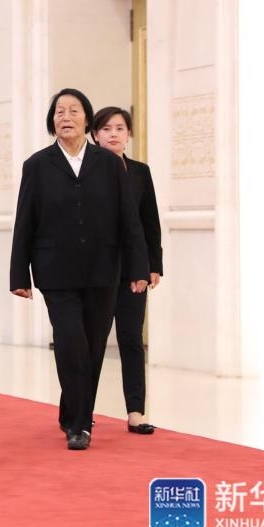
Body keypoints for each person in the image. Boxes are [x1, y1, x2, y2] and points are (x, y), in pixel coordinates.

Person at [9, 88, 149, 451]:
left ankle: (72, 408)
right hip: (55, 271)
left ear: (87, 119)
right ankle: (80, 424)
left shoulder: (109, 164)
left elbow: (129, 220)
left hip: (103, 270)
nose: (66, 117)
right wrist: (19, 275)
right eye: (59, 111)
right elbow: (25, 221)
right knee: (70, 342)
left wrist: (139, 267)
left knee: (93, 346)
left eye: (73, 111)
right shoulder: (38, 165)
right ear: (52, 120)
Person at [91, 106, 163, 435]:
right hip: (96, 271)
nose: (113, 134)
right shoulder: (86, 171)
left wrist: (152, 266)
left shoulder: (140, 172)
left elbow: (150, 222)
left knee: (131, 338)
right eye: (106, 129)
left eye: (120, 128)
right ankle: (81, 409)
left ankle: (136, 411)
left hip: (133, 270)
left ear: (129, 134)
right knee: (93, 341)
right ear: (95, 135)